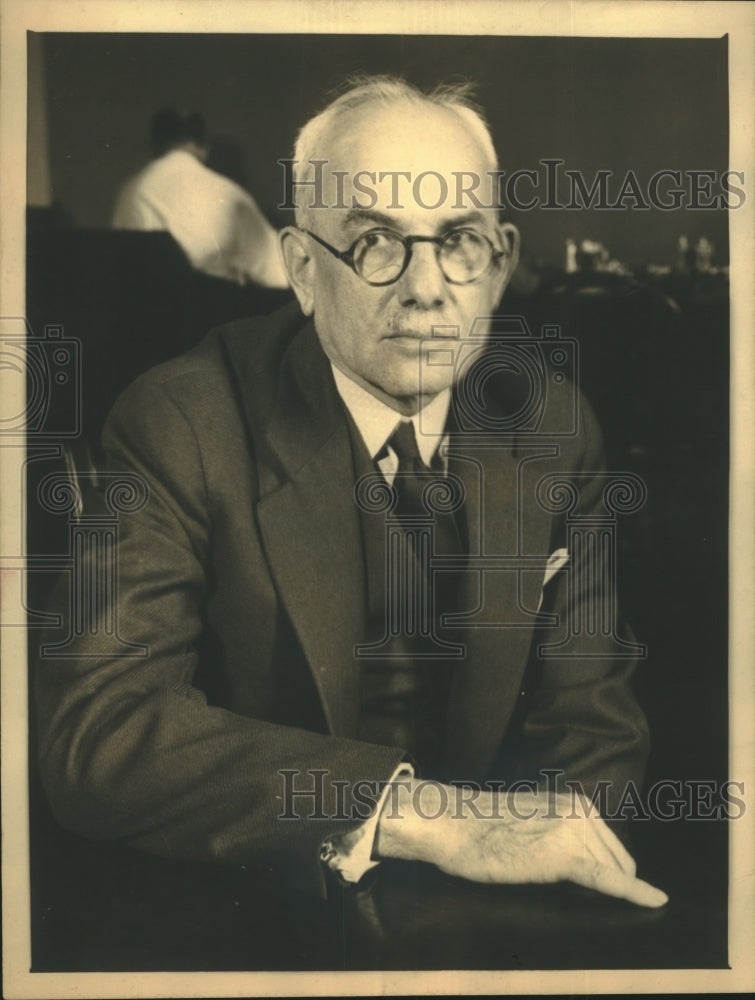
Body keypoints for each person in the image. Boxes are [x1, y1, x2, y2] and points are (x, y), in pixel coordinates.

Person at [37, 76, 667, 909]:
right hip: (260, 902)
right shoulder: (181, 421)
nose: (427, 287)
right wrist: (426, 819)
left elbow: (592, 729)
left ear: (501, 263)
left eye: (460, 241)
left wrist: (527, 890)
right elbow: (103, 738)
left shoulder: (551, 422)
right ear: (302, 268)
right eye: (375, 241)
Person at [112, 108, 289, 288]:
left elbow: (118, 266)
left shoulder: (131, 191)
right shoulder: (229, 192)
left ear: (155, 146)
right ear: (204, 147)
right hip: (219, 307)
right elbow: (279, 272)